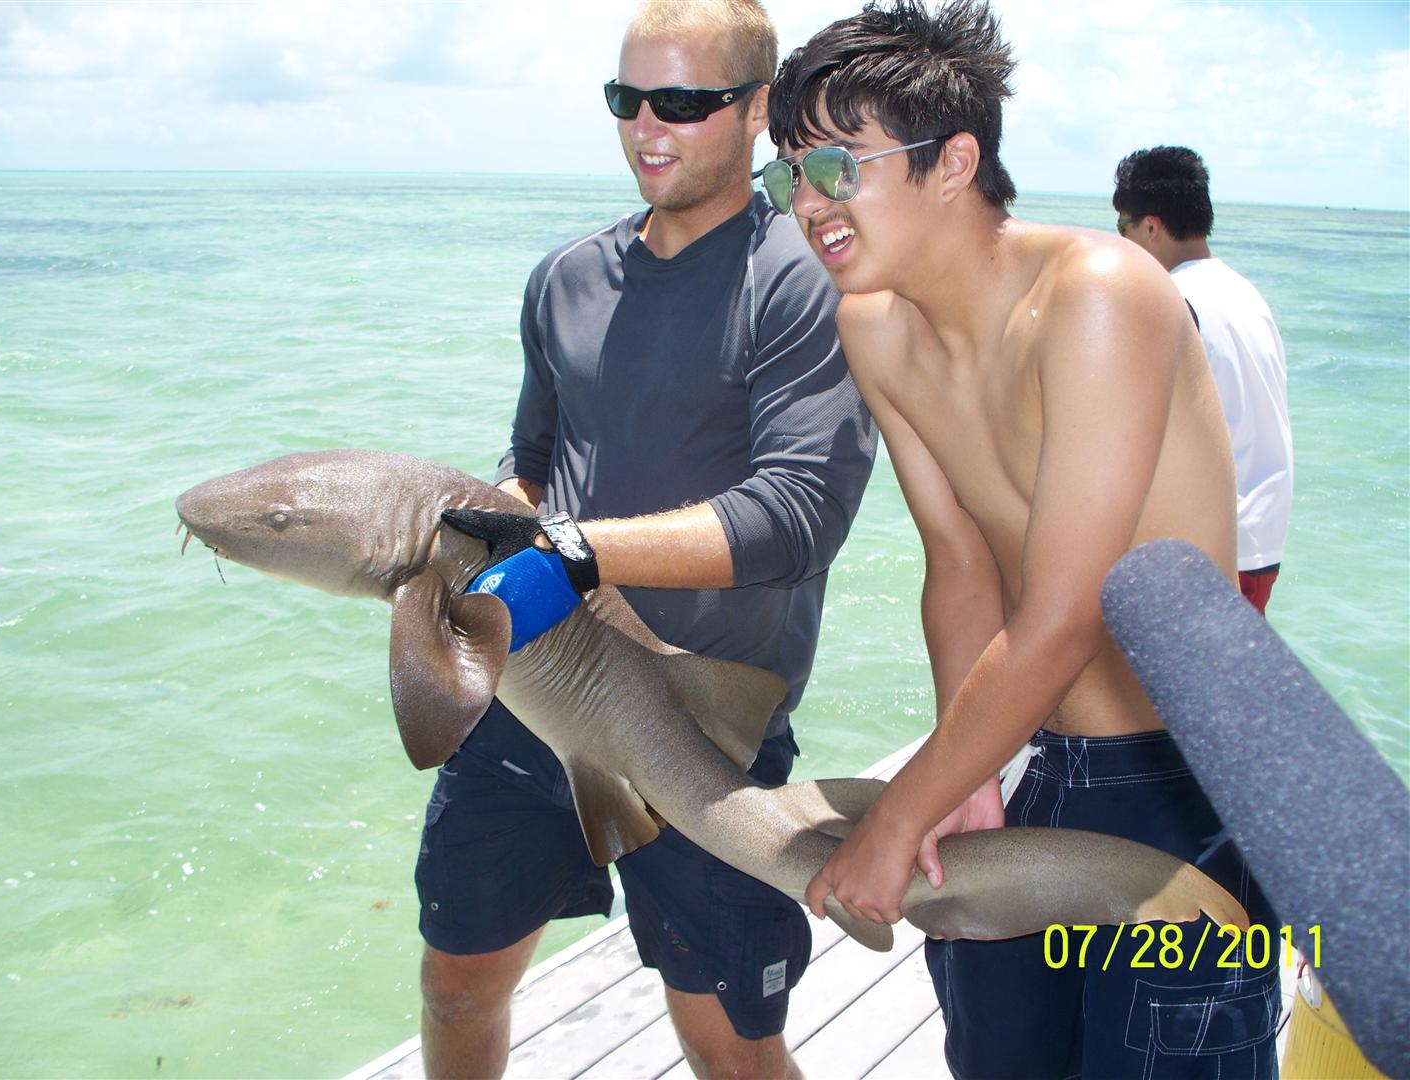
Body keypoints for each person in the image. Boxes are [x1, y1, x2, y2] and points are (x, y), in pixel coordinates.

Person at [765, 2, 1280, 1077]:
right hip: (1029, 763)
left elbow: (1067, 614)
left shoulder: (1099, 294)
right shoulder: (873, 325)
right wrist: (967, 776)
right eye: (789, 175)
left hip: (1181, 787)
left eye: (836, 166)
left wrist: (896, 818)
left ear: (954, 162)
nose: (808, 204)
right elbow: (958, 564)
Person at [414, 2, 877, 1077]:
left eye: (680, 102)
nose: (645, 128)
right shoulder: (564, 278)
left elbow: (797, 517)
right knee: (456, 987)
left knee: (728, 1048)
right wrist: (491, 537)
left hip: (700, 728)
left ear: (758, 111)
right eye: (627, 99)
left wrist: (576, 553)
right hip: (532, 696)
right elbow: (530, 461)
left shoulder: (804, 283)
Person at [1114, 146, 1293, 614]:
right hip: (1259, 540)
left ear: (1150, 227)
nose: (1120, 244)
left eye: (1122, 228)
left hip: (1205, 549)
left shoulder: (1172, 301)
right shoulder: (1246, 295)